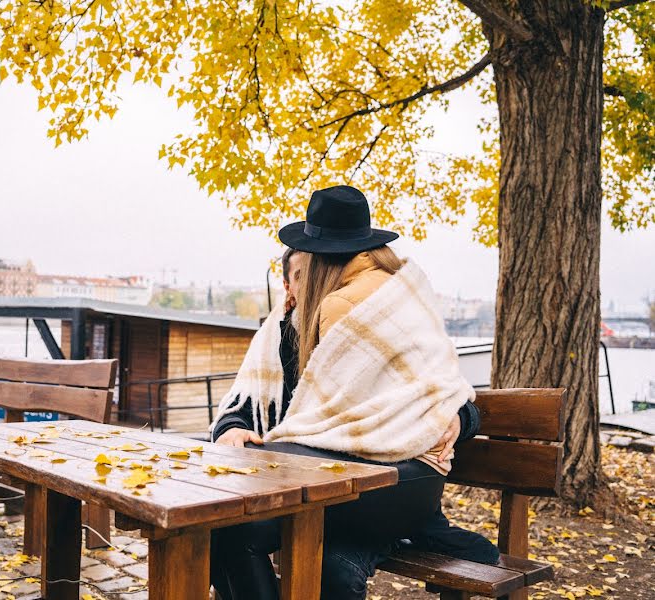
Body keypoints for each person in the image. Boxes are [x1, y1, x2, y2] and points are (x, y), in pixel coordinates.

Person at [209, 186, 498, 600]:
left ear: (320, 259)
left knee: (238, 508)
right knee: (227, 525)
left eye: (303, 272)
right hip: (389, 487)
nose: (295, 288)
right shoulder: (402, 294)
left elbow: (434, 393)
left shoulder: (344, 308)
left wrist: (457, 418)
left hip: (377, 483)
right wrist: (232, 427)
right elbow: (249, 400)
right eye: (291, 278)